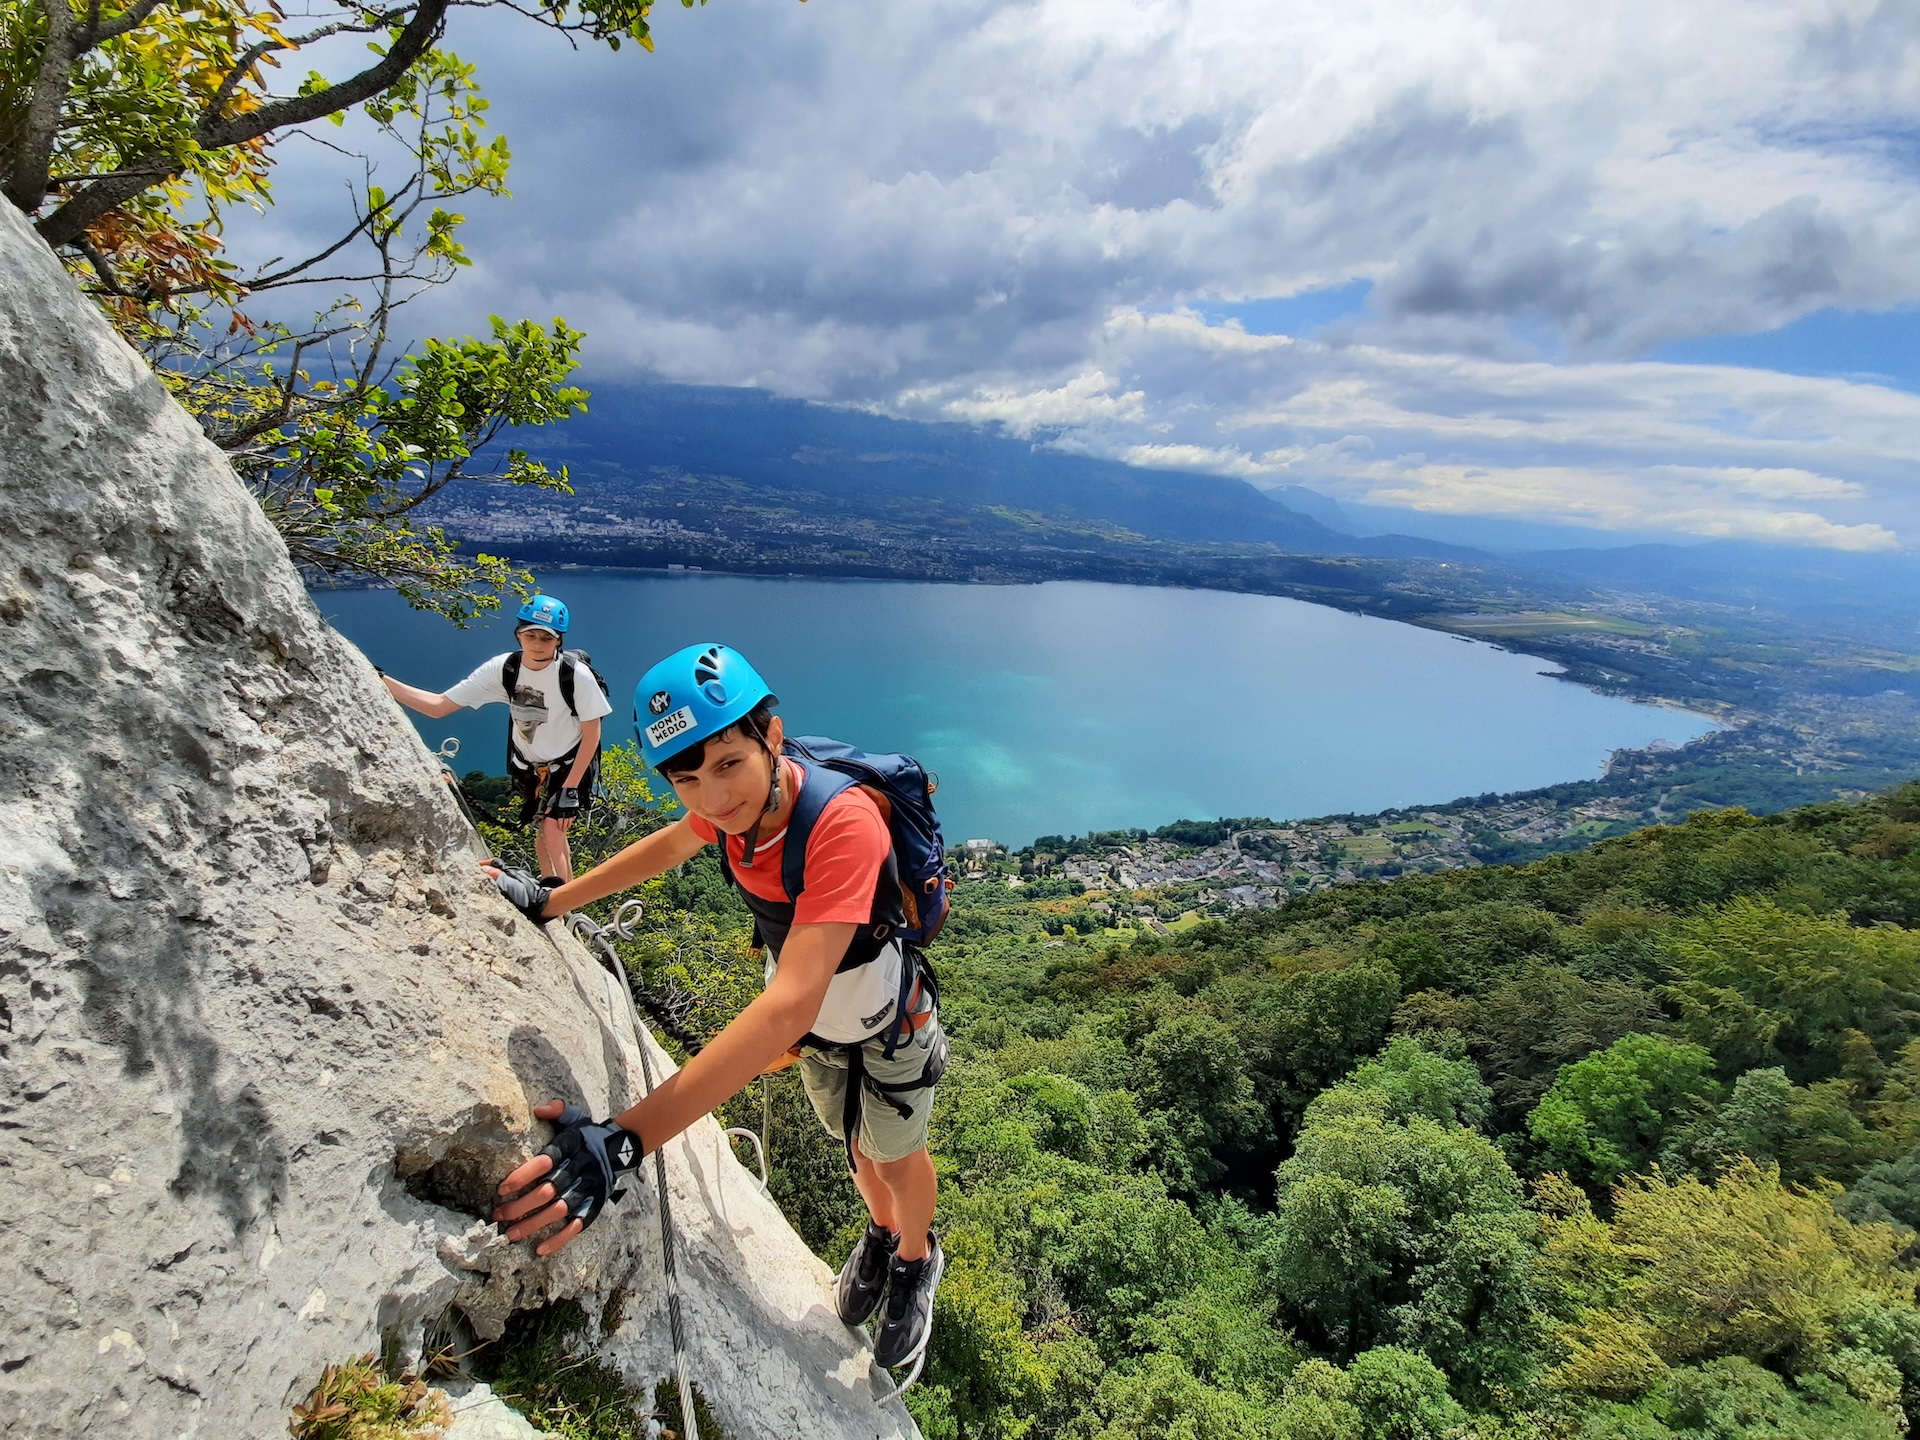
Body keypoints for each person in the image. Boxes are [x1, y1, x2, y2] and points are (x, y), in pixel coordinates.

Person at [485, 643, 949, 1374]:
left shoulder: (841, 823)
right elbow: (668, 846)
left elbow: (790, 1003)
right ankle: (883, 1233)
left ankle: (916, 1258)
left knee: (894, 1153)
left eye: (728, 765)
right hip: (823, 1035)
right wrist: (552, 901)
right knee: (856, 1147)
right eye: (687, 779)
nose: (712, 798)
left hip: (888, 1025)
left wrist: (627, 1139)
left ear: (770, 736)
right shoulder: (737, 813)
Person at [381, 594, 609, 884]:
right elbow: (439, 707)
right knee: (544, 830)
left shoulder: (576, 676)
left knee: (553, 829)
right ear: (518, 634)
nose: (537, 644)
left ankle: (562, 906)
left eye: (546, 638)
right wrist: (382, 680)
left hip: (569, 763)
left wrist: (570, 789)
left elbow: (592, 732)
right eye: (530, 635)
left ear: (559, 641)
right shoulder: (504, 669)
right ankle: (550, 892)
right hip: (528, 765)